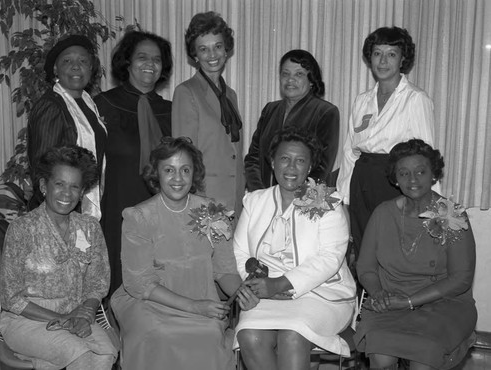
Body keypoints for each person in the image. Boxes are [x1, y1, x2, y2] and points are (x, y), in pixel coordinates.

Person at [111, 137, 257, 370]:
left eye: (185, 170)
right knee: (161, 335)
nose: (177, 178)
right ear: (156, 174)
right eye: (169, 170)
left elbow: (225, 270)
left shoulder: (212, 212)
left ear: (194, 173)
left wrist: (241, 293)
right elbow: (140, 284)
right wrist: (193, 306)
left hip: (201, 296)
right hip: (148, 302)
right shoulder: (138, 217)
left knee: (209, 335)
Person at [234, 127, 356, 370]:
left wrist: (281, 284)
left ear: (310, 167)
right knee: (249, 335)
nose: (291, 168)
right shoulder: (255, 201)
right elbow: (241, 252)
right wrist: (254, 287)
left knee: (292, 334)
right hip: (266, 294)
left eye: (300, 161)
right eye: (284, 159)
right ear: (272, 162)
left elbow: (330, 258)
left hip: (321, 294)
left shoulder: (327, 202)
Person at [354, 139, 477, 370]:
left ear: (433, 174)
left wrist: (409, 302)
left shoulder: (452, 215)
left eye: (420, 171)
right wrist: (379, 295)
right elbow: (366, 268)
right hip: (391, 299)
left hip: (443, 304)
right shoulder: (383, 213)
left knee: (423, 358)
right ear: (395, 178)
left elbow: (461, 279)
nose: (412, 179)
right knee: (381, 357)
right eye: (404, 173)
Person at [0, 146, 117, 369]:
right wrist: (62, 319)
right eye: (59, 184)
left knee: (106, 352)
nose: (67, 194)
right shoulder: (22, 229)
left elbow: (97, 282)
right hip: (27, 320)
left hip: (77, 315)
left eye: (75, 187)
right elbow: (10, 298)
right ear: (44, 186)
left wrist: (85, 313)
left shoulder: (89, 227)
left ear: (82, 192)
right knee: (78, 352)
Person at [336, 27, 436, 255]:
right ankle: (366, 292)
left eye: (391, 54)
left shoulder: (415, 99)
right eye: (377, 53)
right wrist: (343, 198)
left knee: (393, 251)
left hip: (395, 183)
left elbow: (427, 157)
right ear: (369, 57)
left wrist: (431, 205)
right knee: (363, 250)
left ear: (403, 60)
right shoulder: (362, 100)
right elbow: (350, 152)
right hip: (361, 181)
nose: (382, 61)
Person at [94, 30, 173, 294]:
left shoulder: (172, 110)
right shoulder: (102, 104)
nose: (150, 64)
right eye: (142, 57)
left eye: (157, 59)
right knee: (119, 275)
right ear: (127, 62)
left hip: (161, 207)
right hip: (118, 203)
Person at [172, 11, 244, 214]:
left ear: (226, 49)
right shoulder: (186, 92)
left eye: (218, 46)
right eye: (204, 49)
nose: (212, 55)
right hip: (203, 200)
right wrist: (194, 202)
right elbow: (183, 157)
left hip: (234, 197)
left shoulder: (231, 95)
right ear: (195, 55)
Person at [27, 34, 106, 219]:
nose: (76, 66)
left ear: (91, 68)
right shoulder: (51, 106)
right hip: (58, 213)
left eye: (83, 61)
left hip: (79, 209)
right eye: (67, 60)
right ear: (55, 69)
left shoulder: (88, 103)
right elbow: (43, 169)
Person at [244, 49, 340, 192]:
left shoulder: (325, 112)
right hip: (263, 197)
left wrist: (296, 198)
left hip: (300, 200)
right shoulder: (270, 109)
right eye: (285, 74)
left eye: (299, 74)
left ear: (311, 80)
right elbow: (253, 158)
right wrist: (260, 193)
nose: (290, 80)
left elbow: (322, 166)